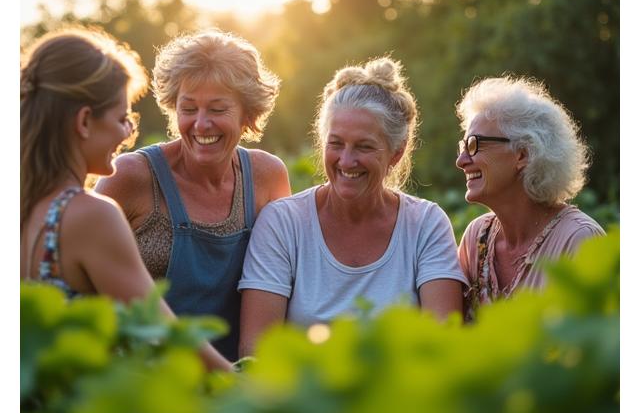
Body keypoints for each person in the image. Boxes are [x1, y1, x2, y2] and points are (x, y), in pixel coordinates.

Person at [20, 26, 231, 371]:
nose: (127, 133)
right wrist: (250, 390)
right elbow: (165, 333)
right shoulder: (90, 216)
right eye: (122, 119)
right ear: (85, 121)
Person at [238, 57, 468, 356]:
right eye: (336, 144)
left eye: (364, 146)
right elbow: (256, 350)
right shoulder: (283, 222)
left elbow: (443, 344)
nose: (346, 161)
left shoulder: (426, 223)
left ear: (396, 154)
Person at [95, 29, 291, 361]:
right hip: (144, 380)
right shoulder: (129, 177)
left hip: (237, 388)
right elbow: (85, 290)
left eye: (217, 109)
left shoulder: (267, 177)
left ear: (248, 115)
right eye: (188, 108)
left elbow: (282, 284)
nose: (201, 124)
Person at [455, 76, 605, 321]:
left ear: (522, 154)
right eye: (462, 146)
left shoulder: (579, 240)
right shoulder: (476, 238)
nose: (461, 161)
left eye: (474, 145)